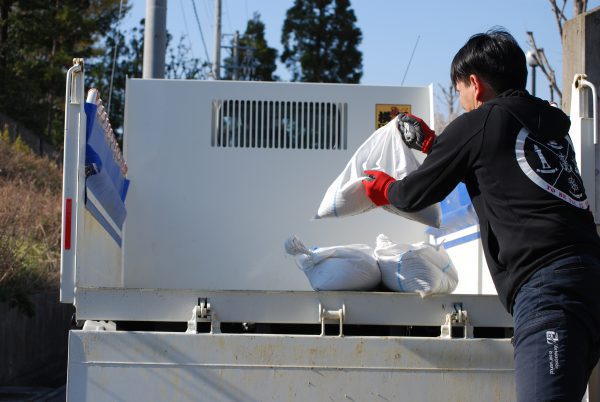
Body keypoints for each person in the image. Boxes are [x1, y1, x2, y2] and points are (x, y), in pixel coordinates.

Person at [363, 28, 600, 401]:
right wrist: (437, 146)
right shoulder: (551, 126)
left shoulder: (482, 121)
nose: (462, 104)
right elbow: (500, 168)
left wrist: (381, 188)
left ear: (474, 83)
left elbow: (414, 194)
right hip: (589, 279)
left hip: (547, 290)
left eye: (459, 93)